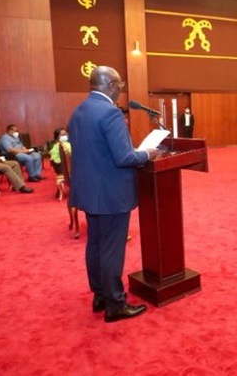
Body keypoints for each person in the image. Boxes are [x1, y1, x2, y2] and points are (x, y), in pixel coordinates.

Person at [67, 66, 154, 323]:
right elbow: (124, 157)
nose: (122, 91)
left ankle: (100, 295)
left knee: (95, 245)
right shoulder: (111, 113)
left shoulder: (79, 111)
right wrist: (147, 154)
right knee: (111, 250)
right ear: (112, 86)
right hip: (111, 193)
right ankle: (115, 303)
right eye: (121, 86)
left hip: (90, 191)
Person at [49, 127, 71, 200]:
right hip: (64, 168)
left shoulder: (67, 144)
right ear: (57, 137)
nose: (65, 136)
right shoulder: (57, 147)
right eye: (62, 135)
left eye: (65, 134)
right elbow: (57, 161)